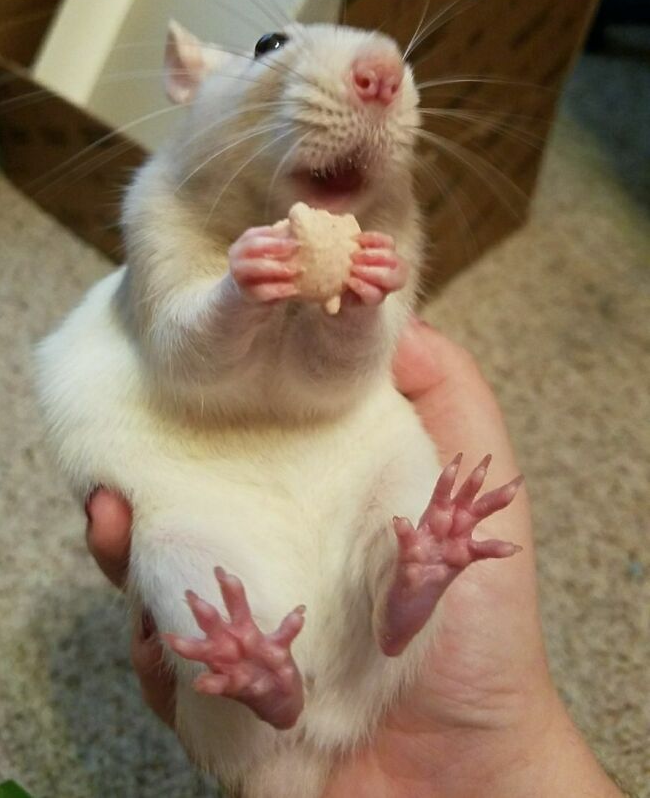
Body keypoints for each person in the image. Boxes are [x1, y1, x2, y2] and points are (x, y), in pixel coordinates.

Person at [85, 319, 625, 797]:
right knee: (170, 550)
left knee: (400, 477)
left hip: (356, 652)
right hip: (242, 525)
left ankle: (386, 599)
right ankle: (277, 674)